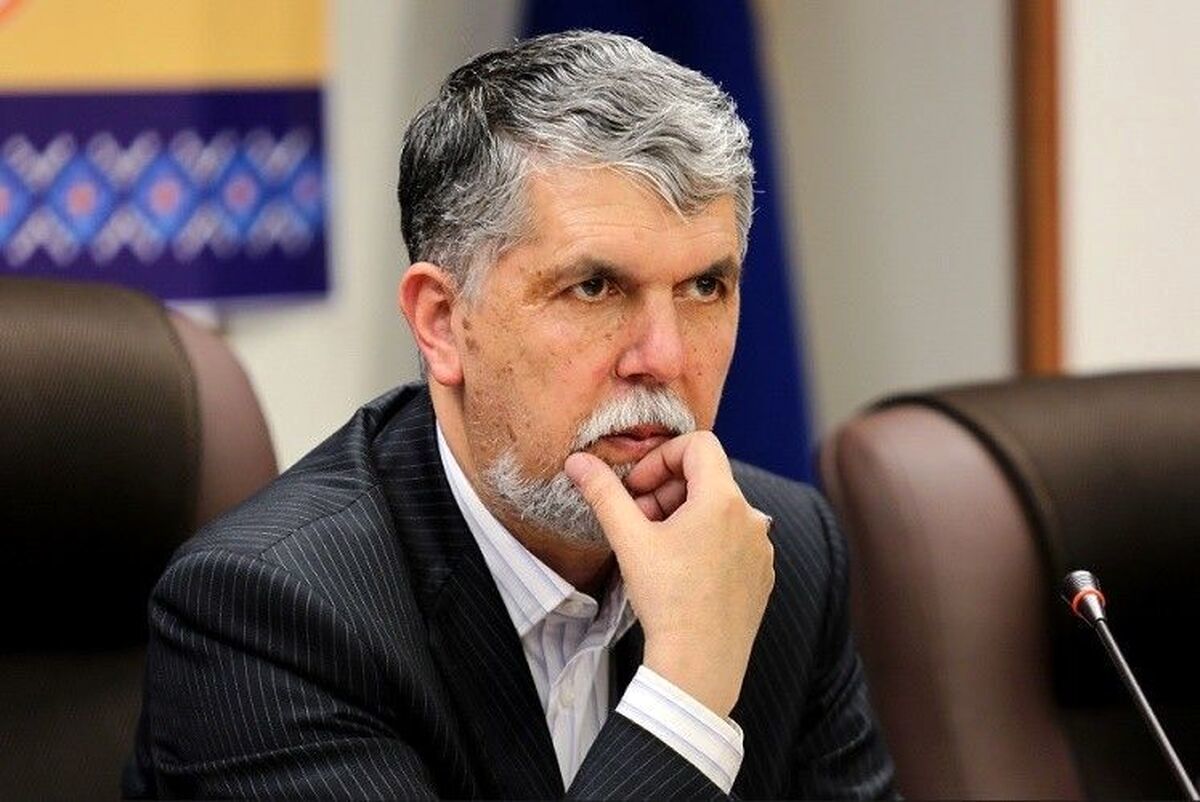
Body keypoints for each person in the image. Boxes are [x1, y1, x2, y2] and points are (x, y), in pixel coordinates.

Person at [124, 30, 895, 800]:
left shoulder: (780, 553)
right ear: (442, 322)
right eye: (595, 288)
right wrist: (687, 690)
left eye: (704, 288)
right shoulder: (271, 612)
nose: (663, 357)